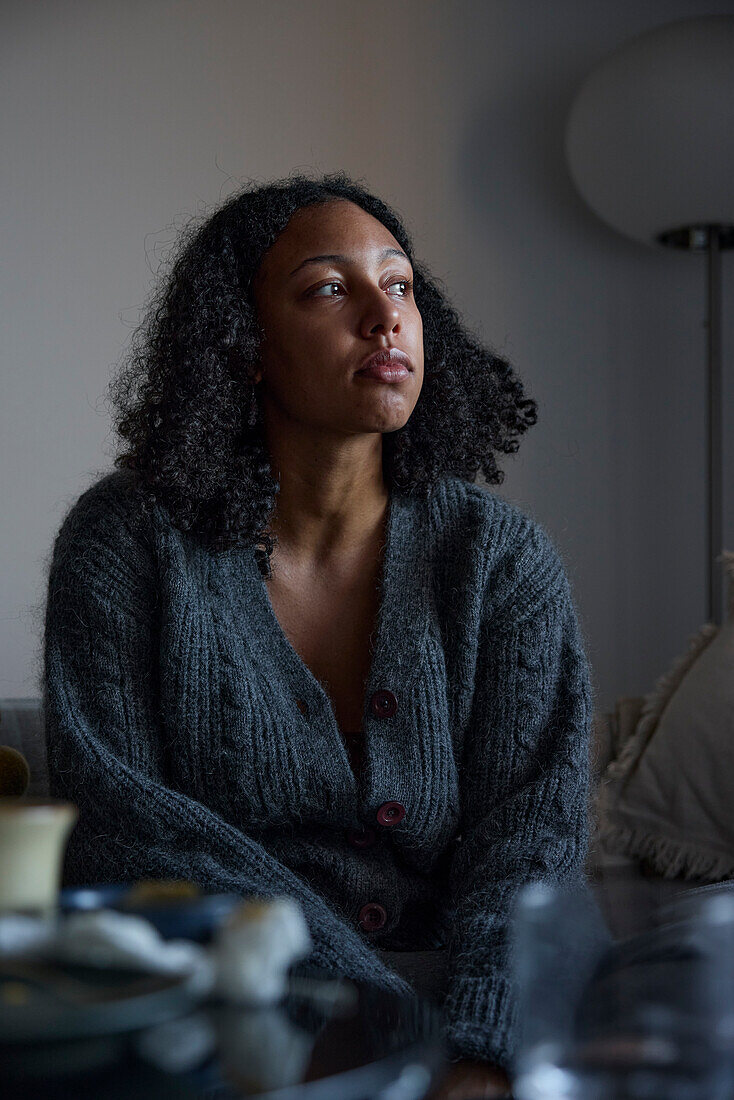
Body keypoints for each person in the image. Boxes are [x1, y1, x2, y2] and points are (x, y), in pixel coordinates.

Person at [43, 171, 593, 1096]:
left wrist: (479, 1050)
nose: (386, 317)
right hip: (226, 1000)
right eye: (331, 288)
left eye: (402, 285)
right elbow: (127, 826)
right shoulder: (128, 543)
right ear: (247, 345)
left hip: (470, 1010)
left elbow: (531, 842)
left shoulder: (498, 560)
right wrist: (379, 1029)